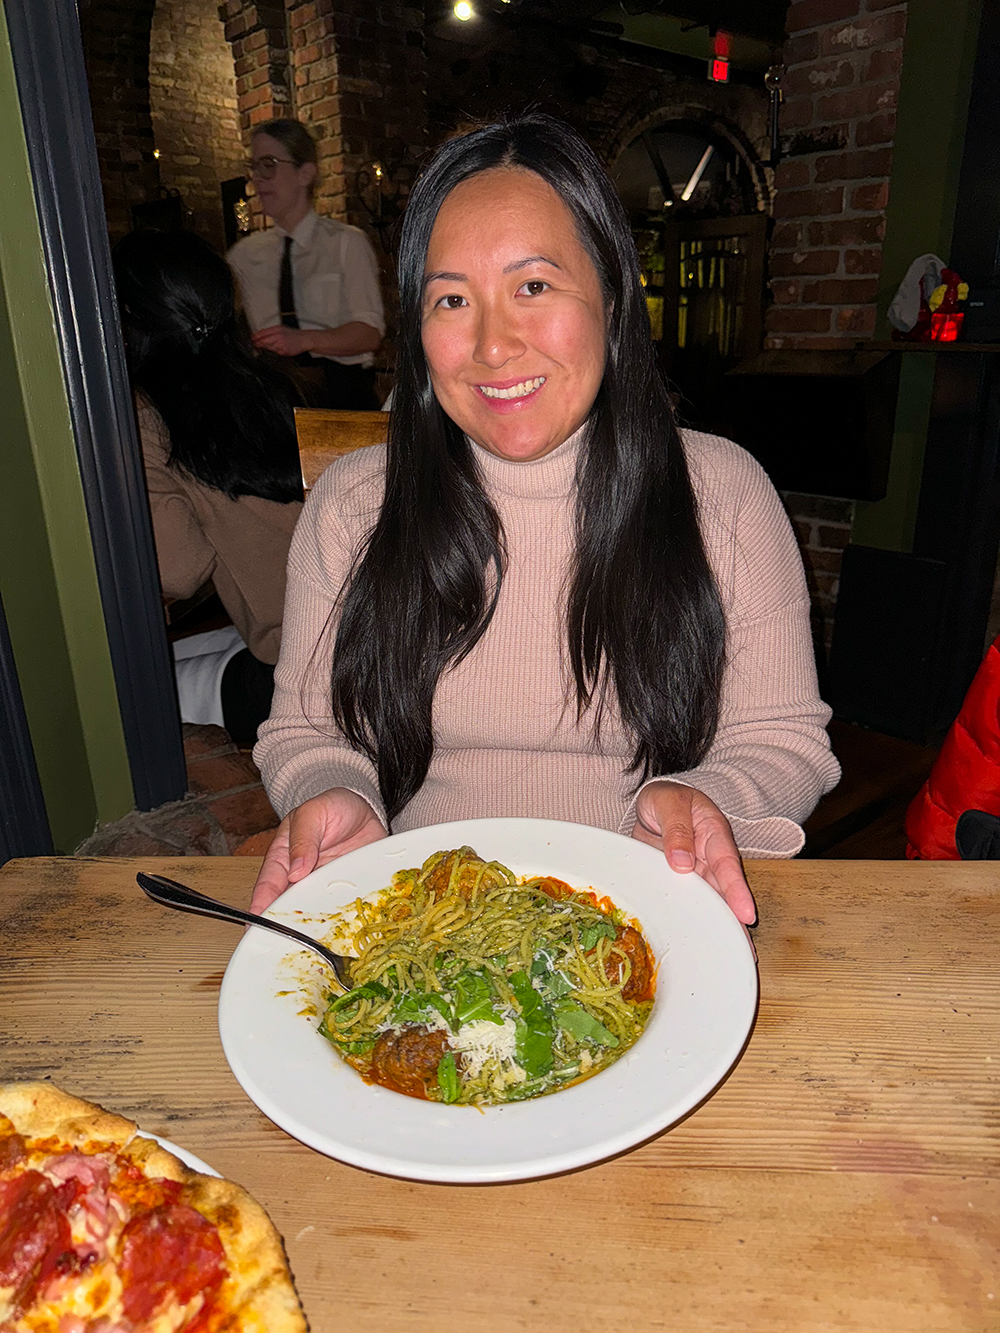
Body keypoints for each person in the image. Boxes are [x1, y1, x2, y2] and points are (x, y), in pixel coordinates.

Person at [251, 113, 840, 917]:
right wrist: (338, 791)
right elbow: (306, 734)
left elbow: (781, 740)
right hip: (419, 922)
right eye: (452, 299)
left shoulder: (724, 493)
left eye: (533, 286)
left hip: (649, 918)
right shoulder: (356, 504)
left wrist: (706, 800)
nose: (494, 344)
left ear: (611, 292)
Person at [114, 229, 304, 745]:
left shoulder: (146, 417)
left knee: (119, 697)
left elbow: (177, 569)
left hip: (305, 688)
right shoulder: (274, 386)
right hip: (374, 647)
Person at [227, 118, 385, 410]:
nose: (258, 179)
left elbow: (370, 334)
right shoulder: (243, 256)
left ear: (305, 173)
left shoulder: (346, 243)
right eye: (254, 167)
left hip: (341, 397)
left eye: (268, 164)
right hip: (274, 402)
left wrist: (304, 340)